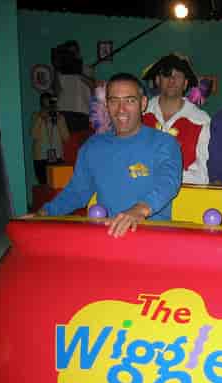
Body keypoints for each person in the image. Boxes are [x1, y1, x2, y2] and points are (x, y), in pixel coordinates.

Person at [33, 72, 182, 238]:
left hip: (153, 238)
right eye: (114, 101)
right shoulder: (92, 147)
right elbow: (76, 192)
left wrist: (139, 210)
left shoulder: (164, 143)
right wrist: (43, 213)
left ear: (143, 104)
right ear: (106, 105)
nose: (121, 109)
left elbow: (168, 182)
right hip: (108, 237)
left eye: (130, 100)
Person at [142, 54, 210, 184]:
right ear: (157, 80)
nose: (172, 80)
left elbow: (203, 175)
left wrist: (164, 175)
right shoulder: (140, 115)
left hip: (186, 193)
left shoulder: (201, 121)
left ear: (185, 83)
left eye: (178, 75)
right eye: (166, 75)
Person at [52, 40, 95, 132]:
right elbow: (56, 92)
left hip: (83, 111)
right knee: (66, 140)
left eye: (74, 52)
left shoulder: (86, 68)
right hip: (65, 111)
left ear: (78, 53)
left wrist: (78, 72)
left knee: (83, 139)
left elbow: (93, 87)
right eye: (70, 53)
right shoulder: (60, 71)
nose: (73, 55)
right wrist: (56, 69)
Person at [31, 92, 70, 185]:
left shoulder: (60, 117)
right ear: (41, 105)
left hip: (57, 157)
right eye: (45, 106)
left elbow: (66, 138)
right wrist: (40, 118)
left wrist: (58, 119)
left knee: (59, 186)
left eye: (49, 105)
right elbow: (33, 135)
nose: (48, 108)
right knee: (44, 186)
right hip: (41, 158)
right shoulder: (36, 116)